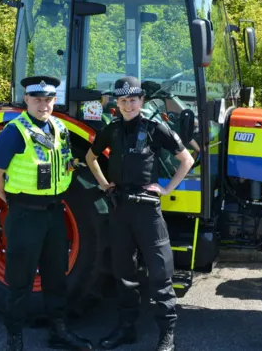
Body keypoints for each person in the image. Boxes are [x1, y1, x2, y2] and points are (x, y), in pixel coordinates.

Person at [85, 76, 194, 351]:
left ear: (141, 101)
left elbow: (186, 159)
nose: (128, 105)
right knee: (124, 273)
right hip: (120, 209)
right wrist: (104, 184)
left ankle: (167, 335)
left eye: (133, 100)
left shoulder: (156, 128)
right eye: (123, 100)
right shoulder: (111, 130)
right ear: (117, 103)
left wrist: (167, 188)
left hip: (147, 210)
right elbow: (90, 157)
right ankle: (126, 329)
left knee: (160, 274)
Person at [0, 75, 93, 351]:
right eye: (37, 99)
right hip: (25, 215)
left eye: (48, 99)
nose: (43, 104)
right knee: (19, 280)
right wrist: (13, 201)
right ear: (26, 100)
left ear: (54, 100)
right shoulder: (14, 131)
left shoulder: (59, 127)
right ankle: (14, 338)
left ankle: (59, 331)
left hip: (54, 213)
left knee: (56, 276)